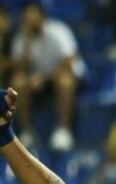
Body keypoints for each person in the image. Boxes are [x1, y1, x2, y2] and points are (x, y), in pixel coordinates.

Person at [10, 2, 85, 151]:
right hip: (41, 81)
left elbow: (69, 62)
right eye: (27, 15)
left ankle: (64, 130)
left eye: (33, 14)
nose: (30, 18)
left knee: (65, 81)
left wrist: (43, 78)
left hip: (69, 77)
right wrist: (26, 44)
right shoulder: (23, 37)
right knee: (18, 82)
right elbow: (20, 68)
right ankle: (27, 132)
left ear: (41, 15)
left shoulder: (58, 30)